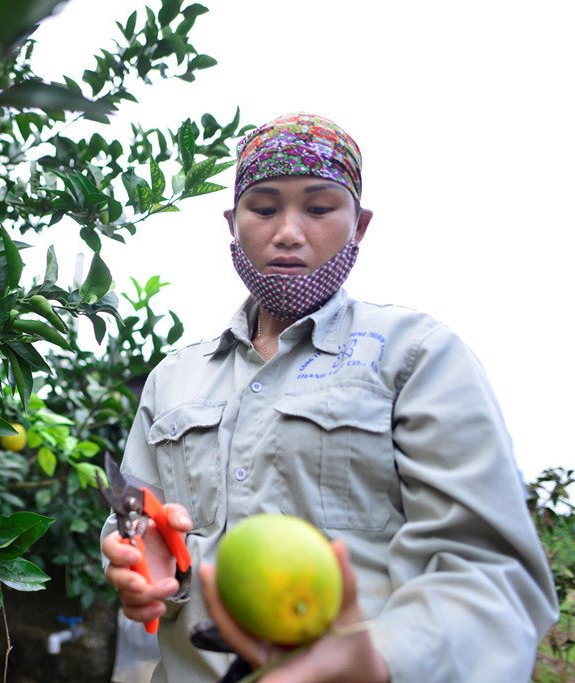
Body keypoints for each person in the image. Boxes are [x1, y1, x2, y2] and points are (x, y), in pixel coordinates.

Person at [100, 113, 558, 682]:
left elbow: (490, 573)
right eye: (263, 208)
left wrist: (384, 660)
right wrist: (142, 560)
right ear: (232, 222)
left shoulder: (416, 357)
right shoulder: (174, 378)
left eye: (318, 209)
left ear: (359, 225)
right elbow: (138, 520)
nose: (288, 232)